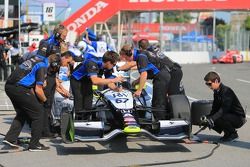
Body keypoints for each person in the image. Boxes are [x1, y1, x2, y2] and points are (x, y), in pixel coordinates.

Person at [2, 44, 53, 151]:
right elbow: (39, 90)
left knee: (23, 112)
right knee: (38, 113)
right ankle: (34, 144)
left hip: (9, 86)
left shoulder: (33, 58)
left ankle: (10, 138)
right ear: (50, 55)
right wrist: (46, 101)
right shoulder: (42, 64)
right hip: (19, 88)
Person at [119, 41, 171, 120]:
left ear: (129, 54)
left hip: (161, 77)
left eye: (126, 58)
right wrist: (136, 82)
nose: (127, 61)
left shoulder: (141, 56)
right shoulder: (141, 53)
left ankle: (160, 123)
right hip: (163, 75)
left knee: (157, 103)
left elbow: (144, 74)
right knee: (160, 100)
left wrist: (139, 90)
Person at [70, 50, 123, 119]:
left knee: (88, 104)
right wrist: (114, 80)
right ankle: (78, 121)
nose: (114, 66)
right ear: (108, 62)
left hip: (87, 80)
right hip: (77, 80)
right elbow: (95, 81)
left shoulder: (108, 66)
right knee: (80, 102)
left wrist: (117, 89)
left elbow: (110, 83)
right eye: (114, 64)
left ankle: (87, 122)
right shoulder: (92, 63)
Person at [201, 71, 246, 142]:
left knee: (219, 117)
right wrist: (208, 118)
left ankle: (233, 134)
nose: (209, 86)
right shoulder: (216, 92)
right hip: (229, 115)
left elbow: (224, 109)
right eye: (207, 84)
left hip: (239, 118)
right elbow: (214, 108)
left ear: (216, 81)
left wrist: (212, 119)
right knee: (211, 118)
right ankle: (227, 133)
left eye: (209, 84)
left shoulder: (226, 91)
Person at [42, 51, 73, 137]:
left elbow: (55, 79)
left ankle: (48, 128)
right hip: (47, 88)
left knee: (49, 107)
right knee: (47, 107)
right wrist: (61, 92)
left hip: (53, 86)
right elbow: (51, 81)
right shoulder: (50, 65)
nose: (68, 64)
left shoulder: (58, 65)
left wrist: (63, 90)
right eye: (68, 62)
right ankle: (46, 130)